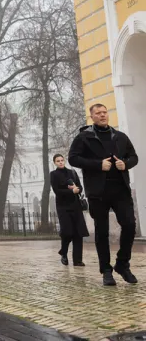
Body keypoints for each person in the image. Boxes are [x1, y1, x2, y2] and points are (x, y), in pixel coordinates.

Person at [68, 103, 139, 286]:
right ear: (92, 117)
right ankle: (106, 270)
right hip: (98, 191)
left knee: (130, 225)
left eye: (104, 112)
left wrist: (126, 164)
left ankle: (122, 264)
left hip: (120, 190)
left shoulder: (120, 137)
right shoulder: (84, 137)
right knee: (102, 232)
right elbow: (73, 158)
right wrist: (98, 165)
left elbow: (134, 156)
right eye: (98, 113)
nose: (102, 115)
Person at [49, 154, 88, 267]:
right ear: (54, 163)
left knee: (78, 233)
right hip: (63, 207)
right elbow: (57, 191)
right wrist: (71, 191)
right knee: (67, 232)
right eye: (58, 161)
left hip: (75, 205)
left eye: (62, 160)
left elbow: (80, 187)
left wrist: (77, 189)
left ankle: (78, 260)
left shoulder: (72, 172)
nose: (60, 162)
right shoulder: (53, 174)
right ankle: (64, 253)